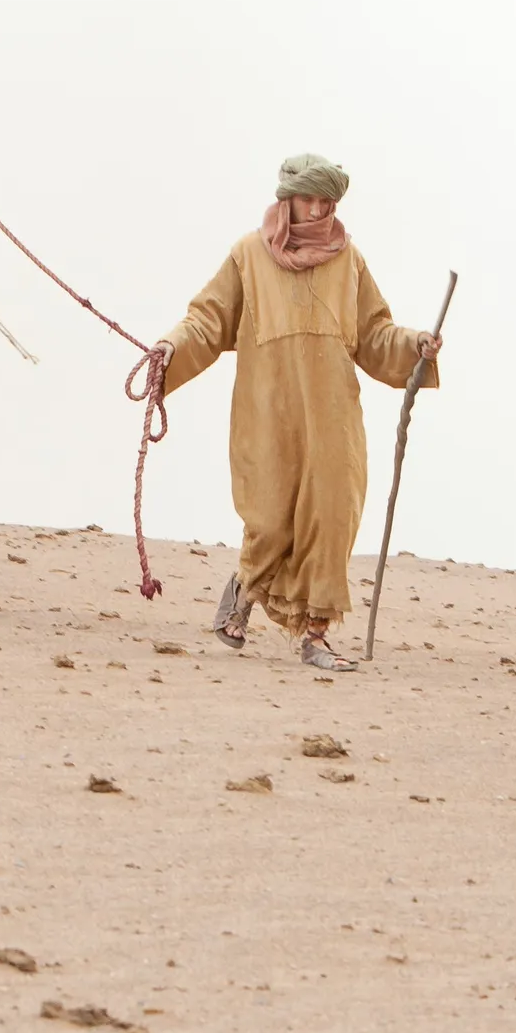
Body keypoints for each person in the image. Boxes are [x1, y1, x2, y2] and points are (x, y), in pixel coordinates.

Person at [152, 154, 442, 672]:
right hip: (268, 410)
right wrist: (170, 351)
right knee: (269, 519)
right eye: (311, 198)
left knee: (331, 517)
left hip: (333, 416)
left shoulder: (349, 260)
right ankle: (245, 586)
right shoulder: (247, 256)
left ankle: (317, 635)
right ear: (288, 200)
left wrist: (414, 344)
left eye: (328, 201)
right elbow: (207, 321)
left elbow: (374, 333)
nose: (320, 209)